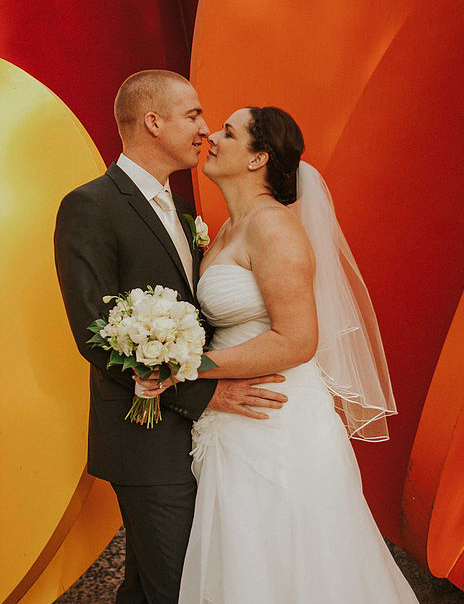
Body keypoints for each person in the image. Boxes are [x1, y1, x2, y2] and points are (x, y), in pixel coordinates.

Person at [138, 106, 420, 603]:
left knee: (293, 563)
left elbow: (296, 341)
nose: (211, 137)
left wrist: (187, 366)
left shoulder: (273, 227)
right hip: (234, 419)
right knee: (244, 562)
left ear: (257, 159)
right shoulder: (228, 229)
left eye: (228, 133)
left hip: (278, 421)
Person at [53, 72, 288, 604]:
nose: (205, 129)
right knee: (181, 588)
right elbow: (94, 333)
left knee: (150, 586)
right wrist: (205, 393)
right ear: (153, 122)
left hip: (199, 439)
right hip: (144, 438)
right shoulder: (89, 205)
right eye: (193, 115)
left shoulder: (182, 210)